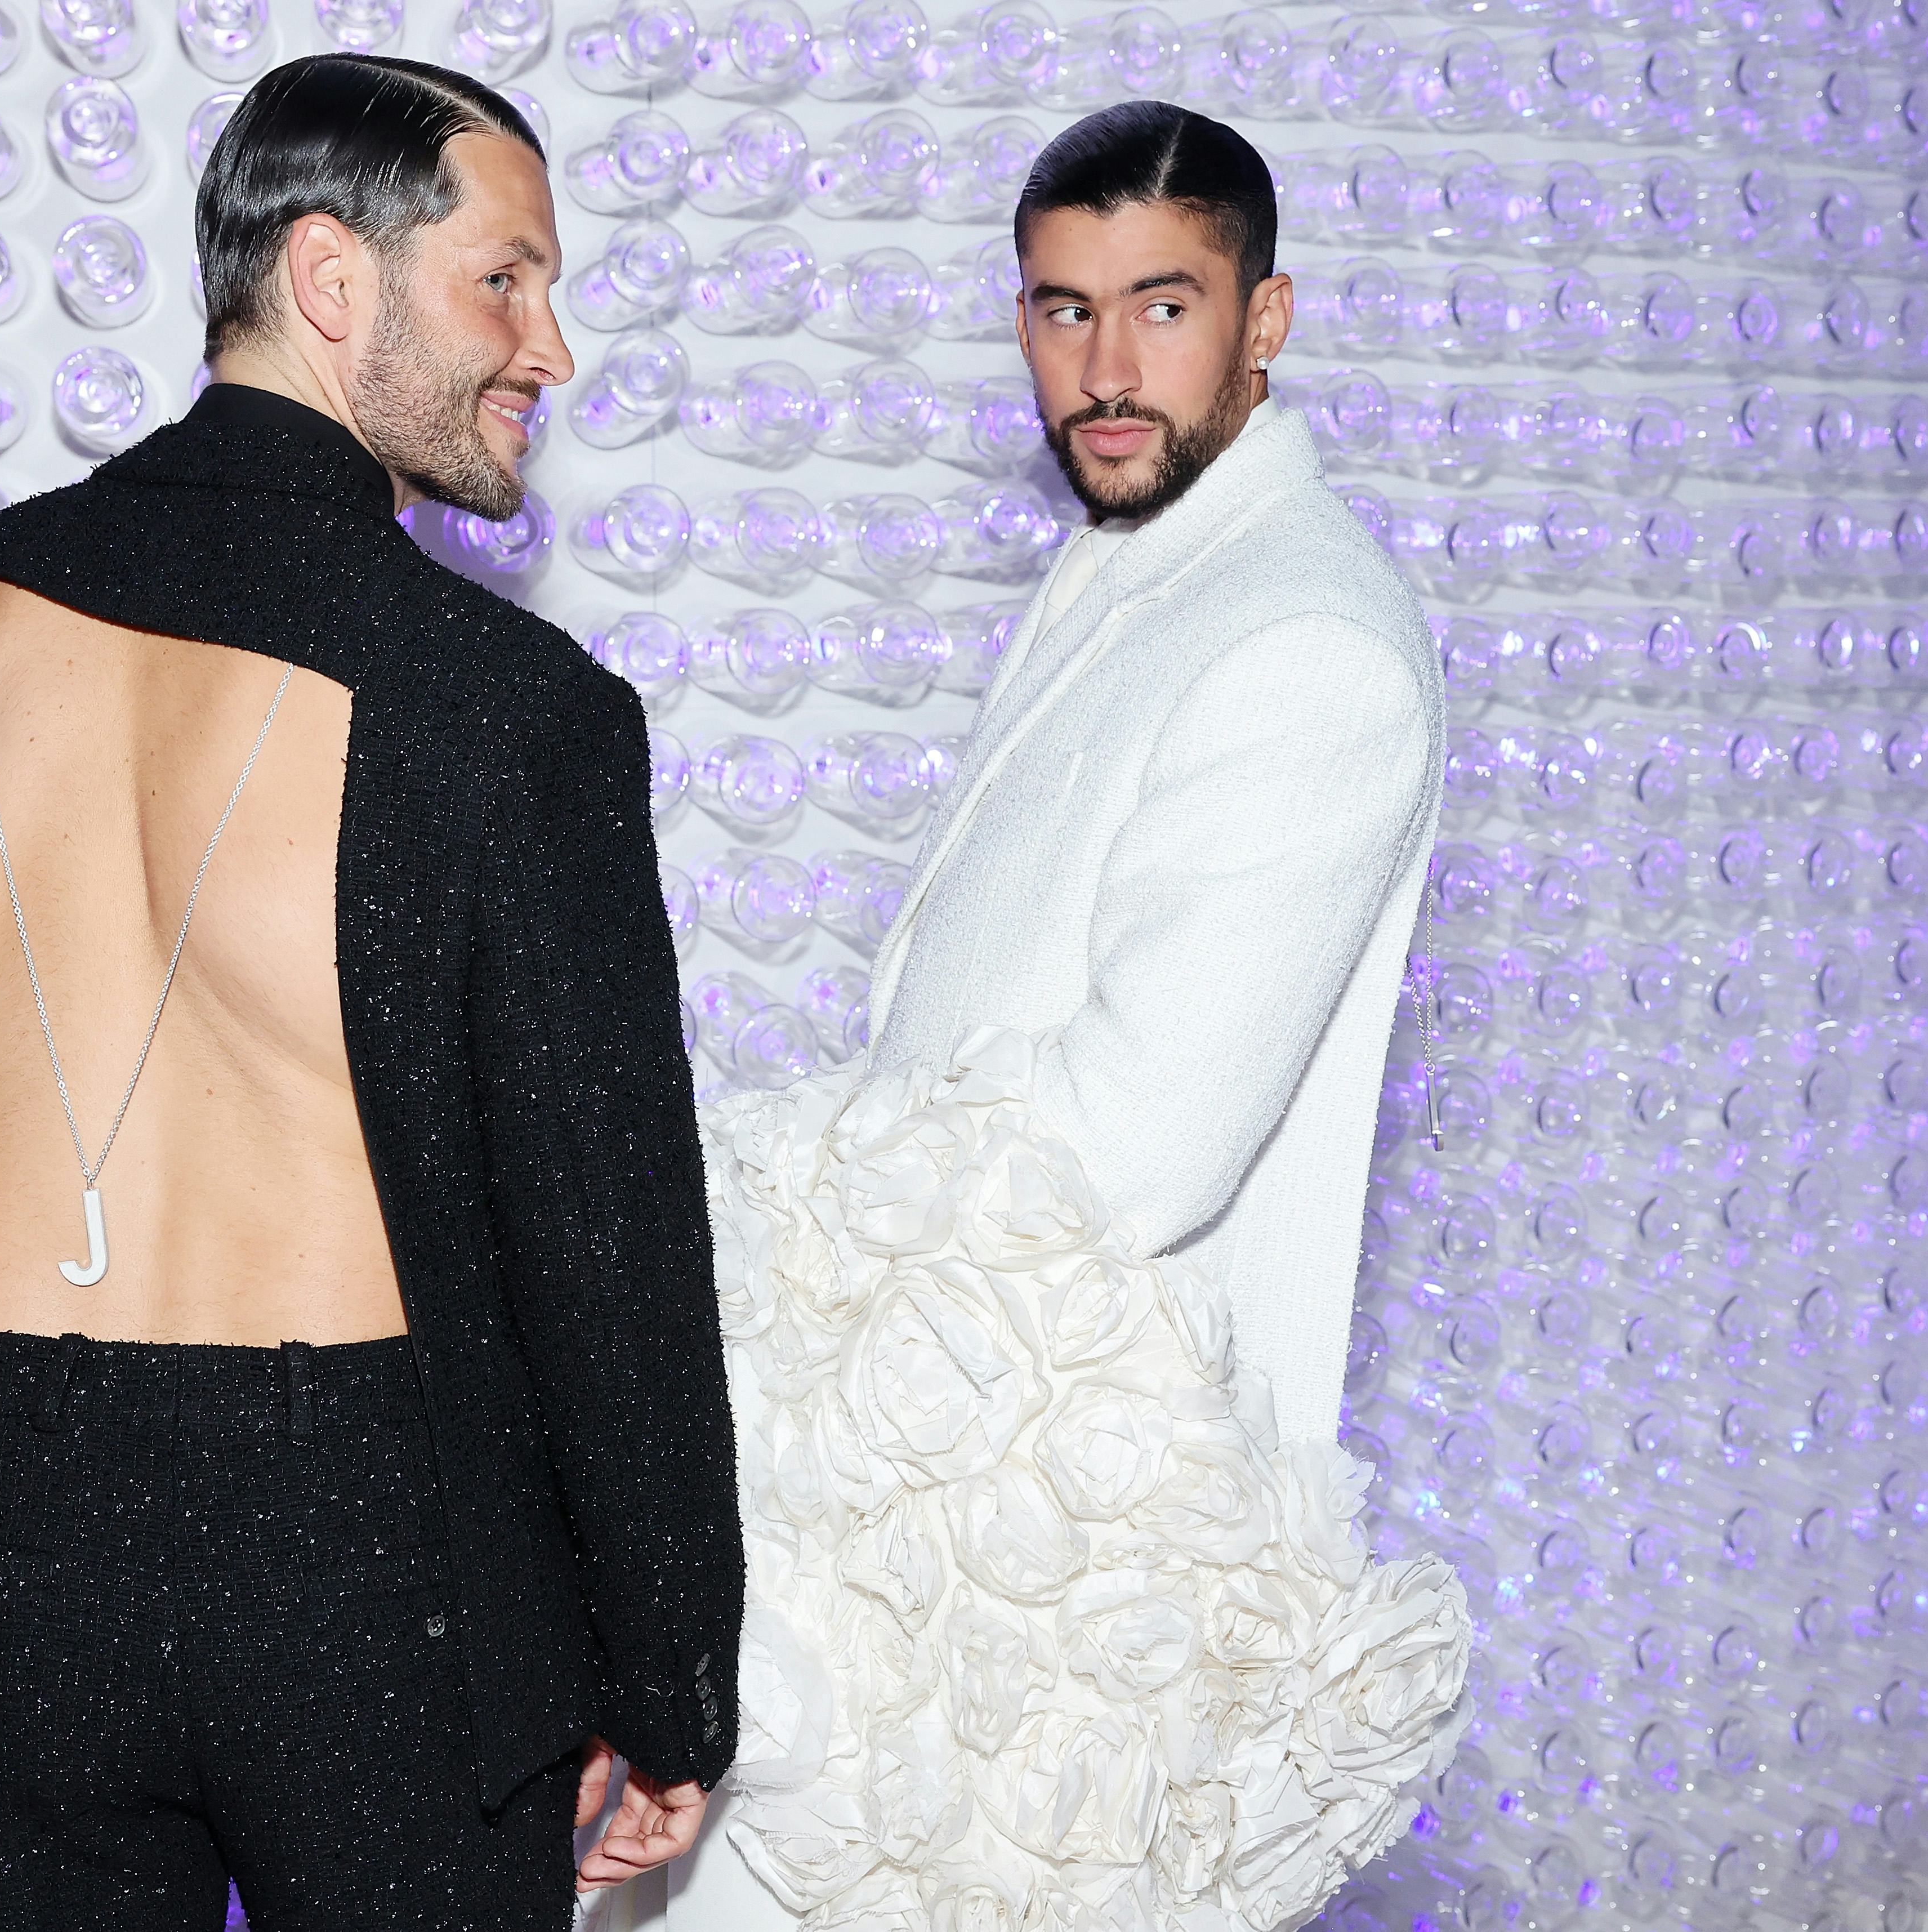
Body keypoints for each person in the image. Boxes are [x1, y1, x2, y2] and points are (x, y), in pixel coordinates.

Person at [0, 55, 740, 1932]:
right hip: (366, 1563)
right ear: (331, 278)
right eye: (507, 277)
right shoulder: (508, 710)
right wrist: (670, 1678)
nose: (549, 347)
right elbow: (606, 1242)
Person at [662, 102, 1472, 1932]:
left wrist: (759, 1190)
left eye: (1163, 307)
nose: (1105, 369)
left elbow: (1134, 1150)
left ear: (1265, 320)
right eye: (1059, 308)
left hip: (1070, 1566)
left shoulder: (1304, 642)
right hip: (917, 1503)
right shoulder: (1136, 559)